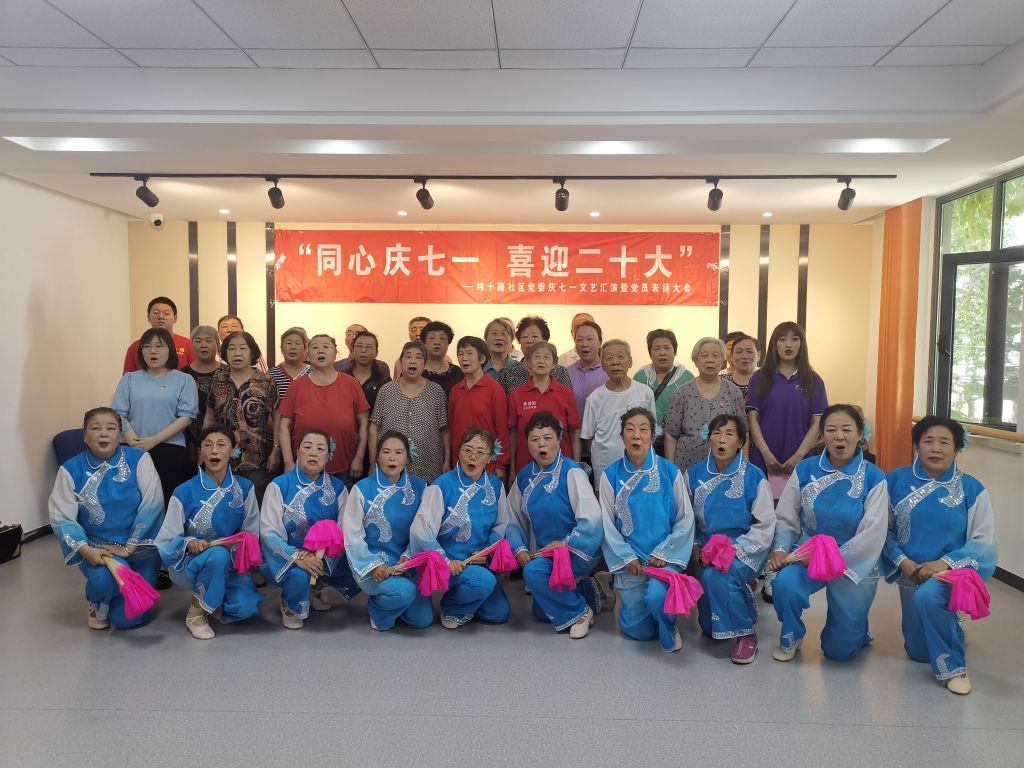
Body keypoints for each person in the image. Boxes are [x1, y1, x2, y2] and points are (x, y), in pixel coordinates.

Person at [883, 416, 998, 695]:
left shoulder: (972, 488)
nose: (936, 448)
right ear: (917, 446)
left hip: (952, 571)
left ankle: (954, 668)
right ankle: (952, 622)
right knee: (918, 652)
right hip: (911, 570)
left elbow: (983, 539)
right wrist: (902, 561)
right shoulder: (894, 481)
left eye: (945, 442)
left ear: (957, 448)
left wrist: (943, 564)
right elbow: (882, 530)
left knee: (928, 598)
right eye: (928, 441)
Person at [768, 404, 888, 663]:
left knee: (838, 652)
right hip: (807, 553)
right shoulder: (805, 469)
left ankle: (857, 627)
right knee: (785, 584)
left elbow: (873, 532)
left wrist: (831, 559)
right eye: (832, 430)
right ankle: (792, 633)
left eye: (847, 429)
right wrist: (780, 548)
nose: (839, 436)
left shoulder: (874, 476)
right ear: (822, 435)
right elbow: (787, 516)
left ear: (860, 434)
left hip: (854, 560)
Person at [48, 407, 165, 629]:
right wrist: (86, 550)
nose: (103, 433)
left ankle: (115, 598)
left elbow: (153, 504)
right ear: (85, 435)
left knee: (126, 620)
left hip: (141, 549)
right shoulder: (70, 470)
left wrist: (129, 548)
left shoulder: (139, 459)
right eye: (95, 428)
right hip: (101, 551)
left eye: (111, 428)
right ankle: (98, 603)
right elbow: (62, 518)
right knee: (103, 580)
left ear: (120, 434)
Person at [599, 407, 695, 653]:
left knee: (656, 597)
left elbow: (685, 519)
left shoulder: (669, 471)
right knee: (638, 632)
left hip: (664, 558)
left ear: (652, 436)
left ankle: (669, 625)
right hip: (631, 560)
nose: (636, 435)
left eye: (643, 430)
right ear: (622, 436)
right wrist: (626, 557)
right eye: (630, 430)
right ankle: (652, 613)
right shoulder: (610, 475)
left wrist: (666, 552)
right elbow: (607, 524)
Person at [156, 426, 264, 639]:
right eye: (208, 445)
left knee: (245, 607)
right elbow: (166, 539)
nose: (214, 451)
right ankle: (196, 612)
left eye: (221, 445)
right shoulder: (184, 491)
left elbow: (252, 534)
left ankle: (213, 599)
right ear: (201, 452)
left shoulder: (245, 488)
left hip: (231, 563)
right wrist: (189, 543)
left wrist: (233, 544)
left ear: (233, 451)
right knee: (217, 555)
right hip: (192, 563)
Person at [685, 414, 775, 664]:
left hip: (746, 547)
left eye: (729, 434)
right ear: (709, 438)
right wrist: (694, 544)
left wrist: (733, 551)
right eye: (716, 433)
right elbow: (685, 518)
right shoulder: (693, 474)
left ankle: (746, 633)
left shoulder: (754, 476)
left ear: (741, 442)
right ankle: (742, 591)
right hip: (705, 551)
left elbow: (765, 524)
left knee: (719, 576)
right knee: (710, 629)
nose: (722, 440)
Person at [507, 411, 605, 639]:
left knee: (533, 572)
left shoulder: (572, 472)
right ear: (528, 444)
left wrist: (563, 544)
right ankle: (590, 591)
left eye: (547, 438)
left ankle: (580, 612)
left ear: (559, 439)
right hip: (546, 554)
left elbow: (592, 520)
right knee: (541, 612)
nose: (541, 444)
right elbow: (513, 519)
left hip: (577, 550)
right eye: (534, 439)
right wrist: (519, 548)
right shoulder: (524, 477)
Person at [410, 428, 511, 629]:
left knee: (499, 614)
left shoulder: (495, 485)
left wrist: (487, 551)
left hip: (478, 562)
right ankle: (452, 607)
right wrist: (446, 561)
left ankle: (469, 596)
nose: (473, 457)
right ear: (459, 452)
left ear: (489, 457)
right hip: (448, 563)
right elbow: (421, 531)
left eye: (480, 452)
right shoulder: (441, 486)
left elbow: (501, 525)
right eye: (467, 450)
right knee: (483, 582)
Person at [260, 430, 358, 629]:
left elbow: (344, 528)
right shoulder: (279, 485)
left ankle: (316, 588)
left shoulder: (338, 488)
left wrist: (320, 555)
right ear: (297, 451)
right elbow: (269, 532)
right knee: (299, 574)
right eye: (307, 447)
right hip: (288, 555)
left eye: (320, 448)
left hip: (324, 556)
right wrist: (298, 557)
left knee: (358, 561)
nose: (313, 453)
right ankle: (290, 603)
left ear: (328, 456)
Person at [342, 431, 433, 631]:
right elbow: (352, 536)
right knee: (404, 592)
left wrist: (408, 557)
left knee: (422, 620)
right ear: (376, 457)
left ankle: (396, 601)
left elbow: (424, 530)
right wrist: (373, 565)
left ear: (407, 458)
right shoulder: (361, 488)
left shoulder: (421, 487)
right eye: (386, 452)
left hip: (408, 563)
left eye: (399, 452)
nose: (392, 457)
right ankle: (379, 609)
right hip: (373, 566)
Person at [113, 327, 199, 505]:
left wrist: (153, 440)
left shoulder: (184, 380)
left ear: (170, 350)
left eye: (159, 346)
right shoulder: (129, 379)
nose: (152, 351)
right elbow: (118, 415)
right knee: (134, 498)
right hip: (132, 447)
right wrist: (134, 442)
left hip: (169, 448)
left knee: (165, 498)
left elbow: (186, 417)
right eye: (146, 346)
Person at [746, 321, 828, 500]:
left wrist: (799, 456)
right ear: (774, 344)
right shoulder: (759, 378)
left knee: (798, 509)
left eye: (794, 339)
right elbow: (752, 419)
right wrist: (766, 453)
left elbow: (817, 423)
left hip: (801, 459)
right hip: (764, 458)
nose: (788, 345)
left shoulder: (813, 380)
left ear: (802, 344)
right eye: (782, 339)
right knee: (763, 508)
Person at [279, 333, 369, 488]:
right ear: (308, 354)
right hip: (304, 467)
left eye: (326, 347)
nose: (320, 350)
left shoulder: (351, 383)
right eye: (315, 347)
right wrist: (288, 462)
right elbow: (283, 425)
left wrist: (359, 458)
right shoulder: (296, 386)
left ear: (335, 353)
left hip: (344, 466)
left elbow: (364, 422)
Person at [203, 331, 280, 502]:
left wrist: (276, 449)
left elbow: (278, 419)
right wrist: (203, 448)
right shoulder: (217, 380)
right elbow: (209, 417)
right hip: (220, 458)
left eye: (243, 348)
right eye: (232, 348)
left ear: (252, 352)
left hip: (256, 460)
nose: (237, 353)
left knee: (255, 506)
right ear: (225, 353)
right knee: (222, 505)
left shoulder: (266, 381)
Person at [663, 337, 746, 474]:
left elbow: (744, 432)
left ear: (722, 360)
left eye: (715, 355)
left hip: (727, 467)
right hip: (687, 467)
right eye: (704, 355)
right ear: (695, 360)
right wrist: (671, 471)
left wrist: (743, 468)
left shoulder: (733, 392)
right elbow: (671, 435)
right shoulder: (682, 393)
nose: (710, 360)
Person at [370, 341, 449, 483]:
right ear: (400, 362)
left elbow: (444, 430)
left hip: (428, 468)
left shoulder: (436, 391)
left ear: (425, 364)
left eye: (418, 357)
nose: (413, 361)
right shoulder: (386, 391)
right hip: (391, 468)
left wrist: (447, 460)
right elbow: (374, 428)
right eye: (408, 357)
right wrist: (372, 462)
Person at [581, 340, 657, 481]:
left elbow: (652, 430)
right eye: (609, 358)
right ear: (602, 365)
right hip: (605, 468)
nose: (615, 362)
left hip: (640, 465)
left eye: (620, 357)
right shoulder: (594, 399)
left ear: (630, 362)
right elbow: (588, 437)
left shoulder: (645, 393)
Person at [508, 341, 581, 476]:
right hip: (526, 466)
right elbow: (513, 435)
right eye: (536, 357)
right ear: (528, 363)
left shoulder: (566, 393)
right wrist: (512, 469)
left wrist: (577, 467)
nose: (541, 361)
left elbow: (574, 432)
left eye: (546, 357)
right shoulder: (516, 395)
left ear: (554, 363)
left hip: (562, 466)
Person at [448, 336, 510, 479]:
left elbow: (502, 429)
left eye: (469, 353)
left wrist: (501, 464)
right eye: (460, 354)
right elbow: (452, 428)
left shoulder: (494, 389)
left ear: (482, 359)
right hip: (460, 464)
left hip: (487, 464)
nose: (464, 358)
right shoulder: (455, 391)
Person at [633, 329, 694, 455]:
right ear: (650, 353)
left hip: (678, 441)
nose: (662, 353)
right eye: (656, 349)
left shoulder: (687, 377)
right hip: (647, 442)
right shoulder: (641, 377)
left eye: (667, 348)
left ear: (675, 351)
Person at [498, 315, 573, 395]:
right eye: (525, 337)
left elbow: (567, 398)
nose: (529, 341)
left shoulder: (560, 372)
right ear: (519, 341)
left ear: (545, 341)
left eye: (535, 336)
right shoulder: (508, 374)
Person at [182, 325, 226, 458]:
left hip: (222, 439)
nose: (203, 345)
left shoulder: (228, 373)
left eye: (208, 340)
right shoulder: (182, 375)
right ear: (192, 345)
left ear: (218, 345)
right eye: (198, 341)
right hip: (187, 440)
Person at [123, 296, 195, 373]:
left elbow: (196, 374)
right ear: (148, 317)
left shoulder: (188, 345)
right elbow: (128, 377)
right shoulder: (135, 346)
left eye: (166, 313)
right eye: (156, 313)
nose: (161, 317)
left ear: (175, 318)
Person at [337, 330, 391, 411]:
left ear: (376, 353)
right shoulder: (341, 378)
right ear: (353, 350)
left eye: (369, 347)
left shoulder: (384, 381)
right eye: (359, 346)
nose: (363, 350)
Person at [566, 319, 608, 418]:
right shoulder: (567, 372)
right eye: (579, 339)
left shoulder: (609, 371)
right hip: (575, 427)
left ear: (600, 342)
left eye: (590, 339)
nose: (584, 344)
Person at [420, 320, 463, 396]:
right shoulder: (414, 371)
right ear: (424, 343)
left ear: (448, 344)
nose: (437, 342)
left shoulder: (457, 373)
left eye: (442, 338)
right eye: (432, 338)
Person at [267, 327, 311, 400]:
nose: (293, 347)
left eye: (297, 343)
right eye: (288, 343)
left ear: (305, 349)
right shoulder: (271, 375)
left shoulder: (313, 373)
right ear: (281, 349)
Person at [721, 334, 758, 399]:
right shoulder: (720, 382)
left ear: (759, 355)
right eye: (739, 352)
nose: (744, 356)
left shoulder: (769, 381)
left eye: (750, 351)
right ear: (732, 355)